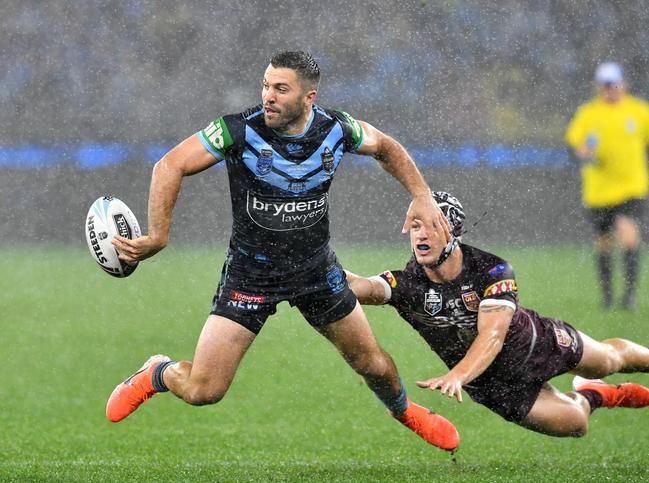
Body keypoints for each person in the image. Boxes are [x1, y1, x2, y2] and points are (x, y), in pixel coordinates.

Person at [105, 51, 459, 451]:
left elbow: (387, 147)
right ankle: (158, 372)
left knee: (372, 363)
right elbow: (170, 165)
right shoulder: (237, 130)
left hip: (316, 270)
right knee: (204, 390)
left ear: (309, 97)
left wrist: (422, 195)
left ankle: (403, 410)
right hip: (250, 275)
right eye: (265, 85)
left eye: (280, 88)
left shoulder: (338, 129)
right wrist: (158, 236)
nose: (268, 96)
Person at [346, 191, 649, 437]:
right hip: (494, 387)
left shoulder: (490, 269)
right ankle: (594, 394)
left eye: (432, 225)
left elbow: (492, 335)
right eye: (415, 226)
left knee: (610, 361)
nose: (421, 234)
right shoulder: (407, 283)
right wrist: (313, 270)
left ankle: (600, 376)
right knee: (576, 423)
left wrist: (458, 375)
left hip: (536, 346)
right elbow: (362, 286)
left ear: (454, 233)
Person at [565, 61, 649, 310]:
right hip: (599, 192)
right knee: (604, 243)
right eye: (604, 85)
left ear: (623, 84)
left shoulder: (638, 111)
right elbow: (575, 144)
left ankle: (629, 295)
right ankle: (608, 297)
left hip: (631, 187)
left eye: (613, 84)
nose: (609, 89)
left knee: (629, 236)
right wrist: (584, 153)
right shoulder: (589, 114)